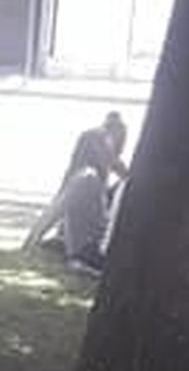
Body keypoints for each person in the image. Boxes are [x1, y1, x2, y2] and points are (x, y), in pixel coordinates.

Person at [25, 109, 129, 262]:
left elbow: (118, 167)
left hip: (90, 227)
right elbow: (57, 208)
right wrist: (32, 240)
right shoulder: (88, 173)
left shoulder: (97, 168)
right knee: (80, 187)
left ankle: (55, 240)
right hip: (85, 240)